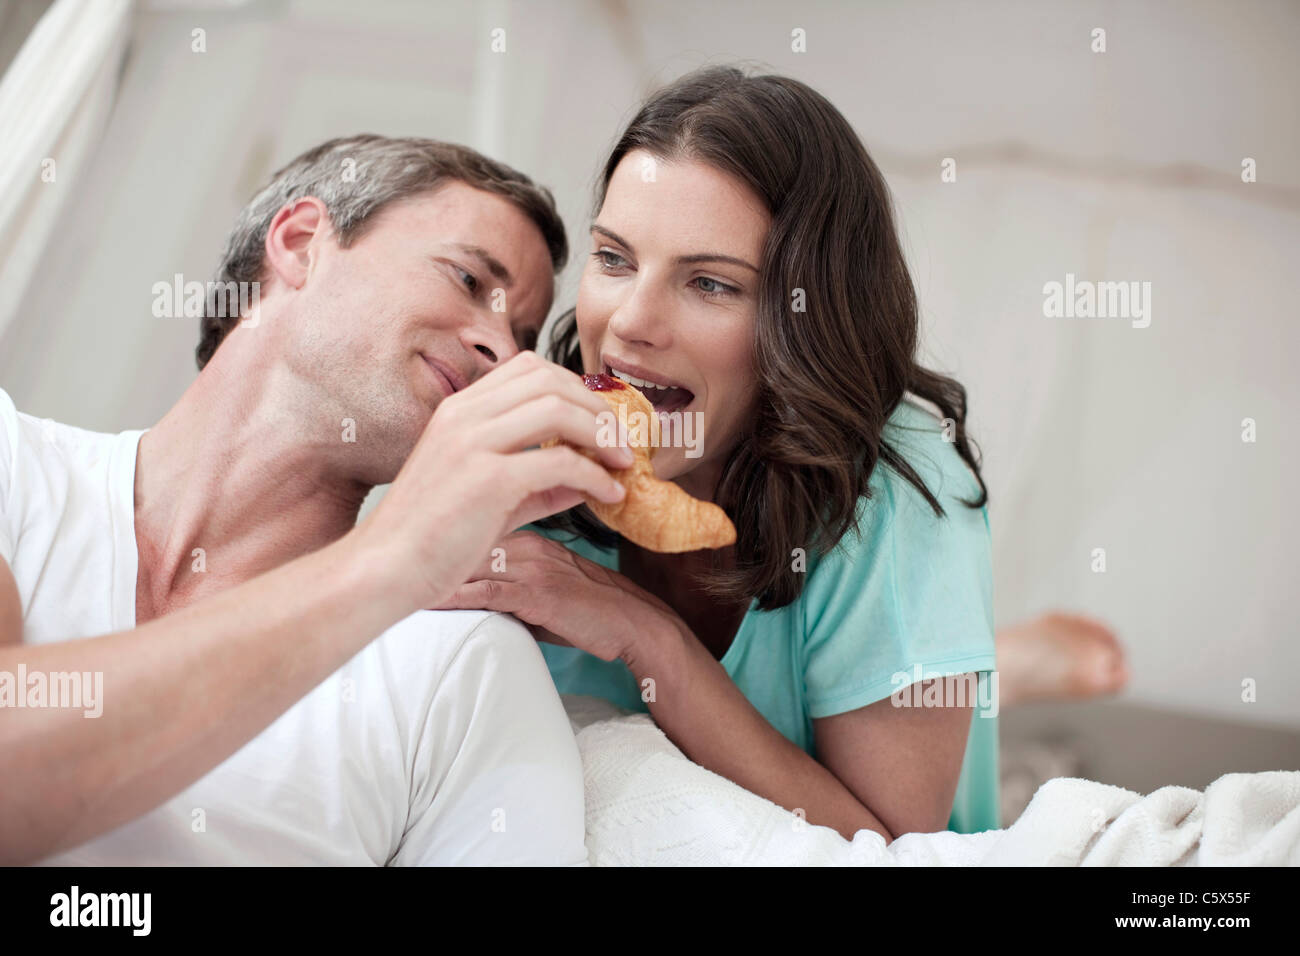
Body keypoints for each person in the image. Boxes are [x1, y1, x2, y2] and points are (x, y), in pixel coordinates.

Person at [436, 66, 1126, 841]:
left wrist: (644, 633)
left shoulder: (893, 485)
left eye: (709, 283)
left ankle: (978, 669)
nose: (629, 321)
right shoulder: (524, 443)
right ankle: (986, 661)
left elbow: (892, 848)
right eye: (615, 258)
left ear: (804, 322)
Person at [0, 135, 634, 865]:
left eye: (523, 336)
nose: (505, 352)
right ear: (301, 243)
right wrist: (389, 558)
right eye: (467, 279)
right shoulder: (15, 466)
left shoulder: (465, 663)